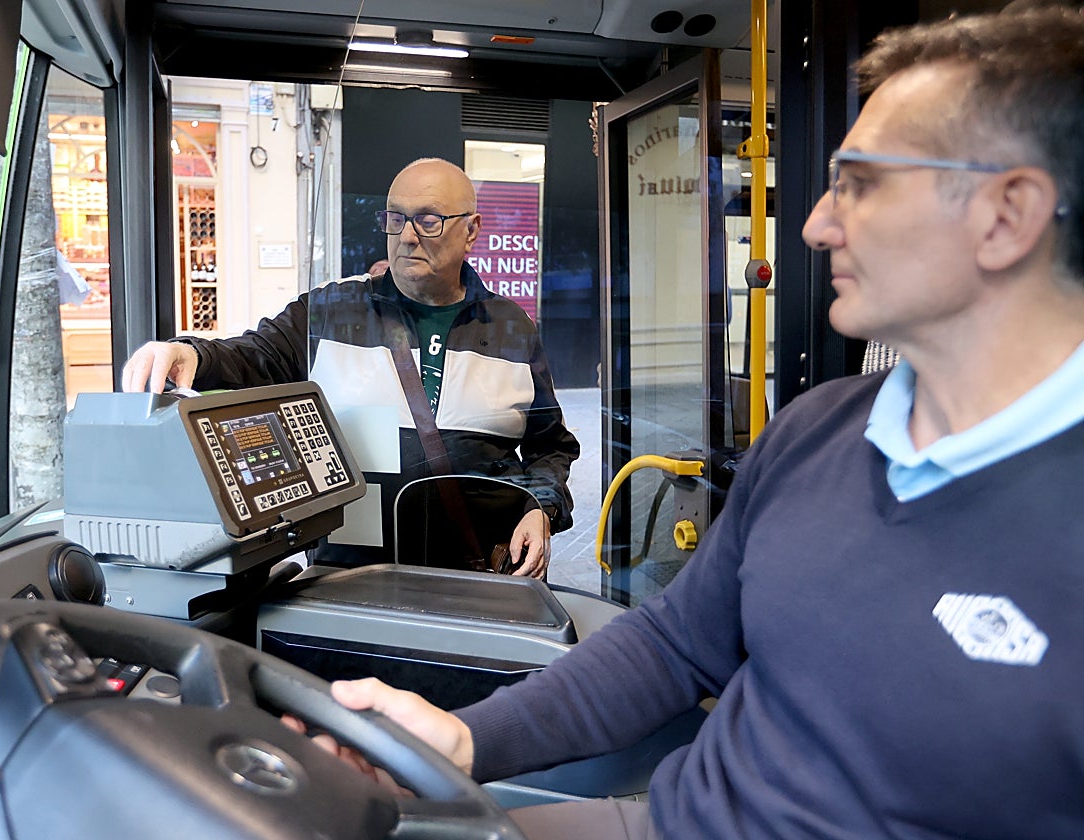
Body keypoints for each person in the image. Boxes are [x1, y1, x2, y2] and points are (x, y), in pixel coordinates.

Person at [313, 7, 1084, 838]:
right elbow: (675, 646)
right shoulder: (816, 431)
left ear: (1006, 217)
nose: (818, 225)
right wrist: (464, 739)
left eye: (859, 183)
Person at [122, 158, 579, 576]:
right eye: (396, 218)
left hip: (480, 576)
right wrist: (191, 354)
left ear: (472, 230)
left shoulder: (512, 329)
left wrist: (541, 508)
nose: (407, 235)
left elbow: (549, 447)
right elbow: (252, 356)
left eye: (429, 219)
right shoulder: (330, 311)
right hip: (349, 580)